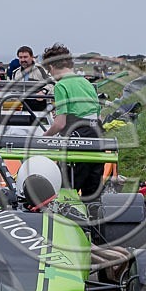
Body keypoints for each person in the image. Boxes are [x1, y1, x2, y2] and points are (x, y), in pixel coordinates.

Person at [42, 43, 104, 201]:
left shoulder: (61, 86)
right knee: (93, 192)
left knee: (66, 189)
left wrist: (44, 137)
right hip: (97, 135)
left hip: (77, 137)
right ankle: (94, 223)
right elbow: (97, 114)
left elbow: (60, 123)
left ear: (51, 66)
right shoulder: (86, 83)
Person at [11, 45, 54, 112]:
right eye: (20, 57)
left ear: (32, 57)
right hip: (23, 107)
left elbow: (53, 83)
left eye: (25, 57)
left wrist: (44, 91)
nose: (23, 60)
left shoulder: (41, 69)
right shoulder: (16, 73)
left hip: (41, 107)